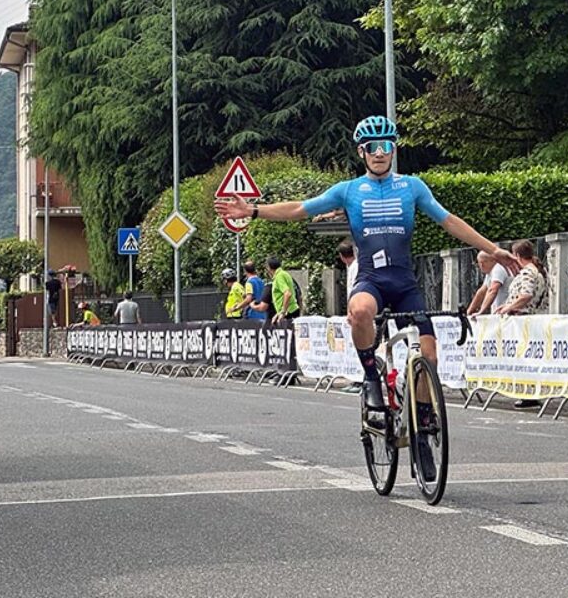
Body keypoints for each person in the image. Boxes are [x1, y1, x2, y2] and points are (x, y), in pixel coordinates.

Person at [215, 115, 517, 481]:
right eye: (372, 148)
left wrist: (493, 249)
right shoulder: (348, 190)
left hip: (405, 283)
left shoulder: (412, 187)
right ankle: (371, 376)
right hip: (372, 280)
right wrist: (254, 211)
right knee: (359, 311)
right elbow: (299, 209)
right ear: (361, 152)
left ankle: (422, 429)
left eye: (386, 146)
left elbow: (449, 220)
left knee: (430, 354)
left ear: (394, 150)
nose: (379, 153)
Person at [496, 239, 550, 410]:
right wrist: (508, 305)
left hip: (524, 320)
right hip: (530, 319)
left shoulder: (527, 273)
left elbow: (525, 296)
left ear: (517, 255)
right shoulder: (538, 271)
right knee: (529, 357)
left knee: (524, 358)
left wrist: (509, 308)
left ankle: (529, 394)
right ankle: (529, 393)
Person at [467, 250, 511, 317]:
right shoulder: (490, 272)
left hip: (505, 313)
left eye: (481, 263)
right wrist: (470, 310)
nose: (480, 266)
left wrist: (481, 311)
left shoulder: (498, 269)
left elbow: (493, 290)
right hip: (499, 313)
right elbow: (481, 292)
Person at [264, 256, 300, 323]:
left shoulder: (279, 276)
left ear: (269, 268)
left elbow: (287, 294)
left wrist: (283, 312)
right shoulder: (285, 274)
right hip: (291, 309)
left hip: (289, 312)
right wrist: (278, 313)